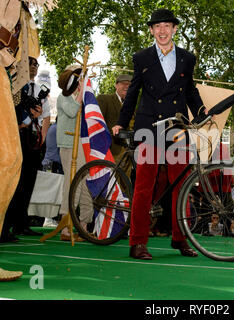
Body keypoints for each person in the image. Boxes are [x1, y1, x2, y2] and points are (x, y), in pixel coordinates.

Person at [112, 9, 207, 260]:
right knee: (144, 186)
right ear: (152, 30)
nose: (162, 31)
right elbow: (133, 92)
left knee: (182, 185)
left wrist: (200, 110)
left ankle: (180, 238)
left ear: (174, 29)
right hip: (149, 127)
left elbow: (190, 90)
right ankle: (138, 242)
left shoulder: (187, 58)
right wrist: (121, 122)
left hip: (176, 128)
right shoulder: (142, 57)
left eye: (167, 26)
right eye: (157, 26)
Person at [2, 57, 50, 240]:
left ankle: (22, 224)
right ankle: (5, 226)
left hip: (32, 140)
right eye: (30, 63)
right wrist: (28, 119)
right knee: (14, 183)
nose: (33, 67)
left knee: (28, 183)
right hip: (14, 137)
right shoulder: (13, 87)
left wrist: (41, 140)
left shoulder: (39, 91)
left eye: (36, 64)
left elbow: (45, 117)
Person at [56, 64, 93, 241]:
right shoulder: (64, 97)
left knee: (85, 183)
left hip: (82, 143)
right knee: (72, 183)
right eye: (78, 78)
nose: (80, 81)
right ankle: (66, 225)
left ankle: (83, 224)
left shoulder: (83, 97)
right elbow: (72, 112)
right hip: (68, 143)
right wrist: (79, 94)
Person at [97, 74, 133, 177]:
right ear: (116, 85)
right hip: (111, 151)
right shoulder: (104, 99)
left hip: (128, 154)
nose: (127, 86)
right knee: (109, 184)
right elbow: (98, 125)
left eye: (130, 85)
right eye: (124, 83)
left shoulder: (131, 106)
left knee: (124, 186)